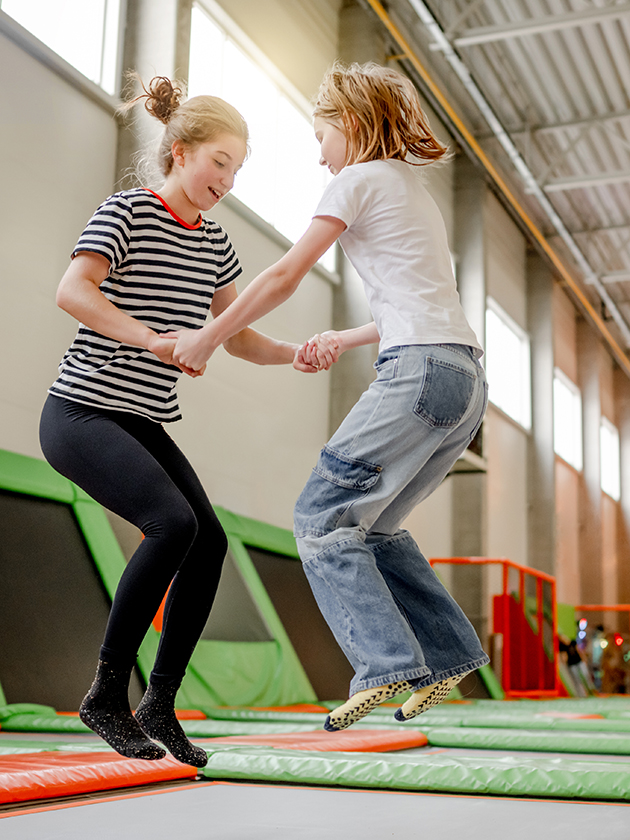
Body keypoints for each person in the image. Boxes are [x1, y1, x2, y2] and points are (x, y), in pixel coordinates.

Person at [169, 62, 490, 731]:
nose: (319, 155)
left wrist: (209, 335)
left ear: (350, 122)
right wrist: (341, 339)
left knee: (320, 516)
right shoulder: (411, 190)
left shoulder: (356, 179)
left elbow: (287, 273)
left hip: (417, 372)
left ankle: (384, 666)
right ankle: (451, 653)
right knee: (375, 527)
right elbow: (419, 304)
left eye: (322, 137)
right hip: (463, 381)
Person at [39, 76, 330, 766]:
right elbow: (71, 290)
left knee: (209, 541)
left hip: (142, 419)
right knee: (174, 523)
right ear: (179, 150)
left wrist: (296, 354)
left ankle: (159, 705)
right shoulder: (128, 211)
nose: (226, 180)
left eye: (237, 169)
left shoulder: (216, 245)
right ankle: (107, 694)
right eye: (219, 162)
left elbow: (236, 336)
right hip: (81, 410)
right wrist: (151, 339)